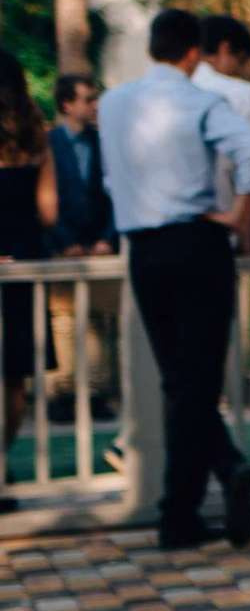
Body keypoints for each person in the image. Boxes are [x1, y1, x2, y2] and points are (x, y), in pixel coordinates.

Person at [99, 8, 250, 549]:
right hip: (197, 244)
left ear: (153, 47)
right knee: (195, 382)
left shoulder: (112, 104)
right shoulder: (200, 100)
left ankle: (181, 515)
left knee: (180, 381)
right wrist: (240, 216)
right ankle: (220, 472)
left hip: (144, 251)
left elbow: (112, 172)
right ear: (193, 53)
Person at [45, 73, 118, 424]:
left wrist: (106, 238)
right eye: (87, 99)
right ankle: (64, 391)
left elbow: (116, 195)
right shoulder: (48, 144)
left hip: (99, 246)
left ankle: (96, 391)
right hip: (62, 246)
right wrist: (66, 242)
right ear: (67, 104)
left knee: (100, 318)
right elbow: (43, 199)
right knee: (64, 320)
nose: (94, 106)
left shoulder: (105, 143)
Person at [0, 53, 57, 453]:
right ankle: (2, 466)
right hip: (24, 262)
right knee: (13, 376)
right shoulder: (38, 137)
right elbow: (49, 213)